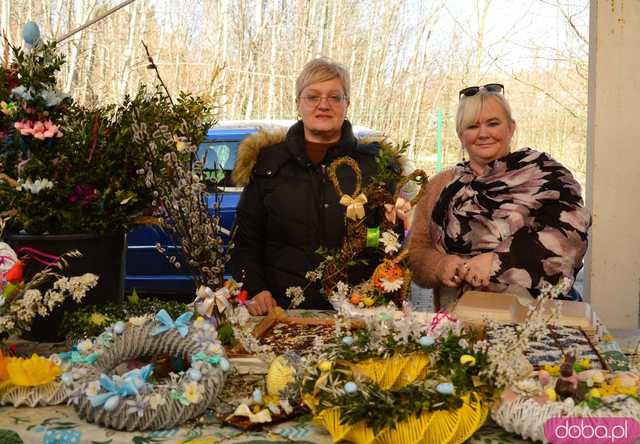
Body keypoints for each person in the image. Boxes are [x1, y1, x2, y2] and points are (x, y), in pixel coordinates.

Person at [230, 58, 403, 315]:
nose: (324, 105)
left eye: (335, 97)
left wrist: (376, 292)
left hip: (358, 312)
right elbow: (246, 242)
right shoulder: (268, 164)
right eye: (312, 97)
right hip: (280, 311)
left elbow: (390, 242)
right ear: (298, 104)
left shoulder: (376, 166)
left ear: (347, 104)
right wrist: (256, 289)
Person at [408, 83, 590, 305]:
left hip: (534, 320)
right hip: (457, 325)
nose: (483, 133)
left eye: (493, 123)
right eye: (472, 126)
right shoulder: (440, 186)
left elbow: (571, 238)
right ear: (460, 134)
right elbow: (416, 252)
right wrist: (439, 266)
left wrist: (499, 261)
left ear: (511, 128)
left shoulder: (543, 175)